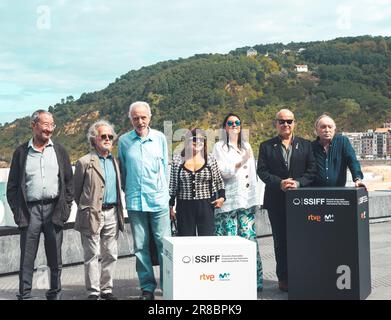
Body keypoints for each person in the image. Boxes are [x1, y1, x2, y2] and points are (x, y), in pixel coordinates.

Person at [6, 110, 73, 300]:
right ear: (34, 125)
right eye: (45, 124)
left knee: (55, 258)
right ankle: (25, 295)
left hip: (54, 209)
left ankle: (54, 294)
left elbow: (69, 183)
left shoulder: (60, 150)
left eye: (52, 125)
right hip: (30, 211)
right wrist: (18, 212)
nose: (49, 129)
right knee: (27, 258)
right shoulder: (21, 152)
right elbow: (12, 187)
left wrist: (65, 209)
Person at [257, 109, 316, 292]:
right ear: (276, 124)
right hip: (276, 200)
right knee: (280, 241)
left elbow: (312, 171)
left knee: (301, 240)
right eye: (282, 121)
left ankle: (301, 275)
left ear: (294, 123)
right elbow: (262, 171)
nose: (286, 125)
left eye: (289, 121)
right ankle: (283, 278)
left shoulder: (306, 145)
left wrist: (298, 183)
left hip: (300, 201)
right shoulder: (266, 146)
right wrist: (280, 183)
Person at [118, 101, 170, 301]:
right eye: (135, 118)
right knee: (140, 246)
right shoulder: (124, 141)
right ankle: (147, 287)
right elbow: (123, 170)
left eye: (143, 117)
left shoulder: (160, 138)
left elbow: (166, 167)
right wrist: (127, 190)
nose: (139, 121)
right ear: (131, 119)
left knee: (162, 244)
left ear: (149, 117)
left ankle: (168, 284)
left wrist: (166, 196)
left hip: (158, 201)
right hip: (135, 202)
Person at [74, 120, 125, 300]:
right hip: (92, 214)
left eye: (110, 136)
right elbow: (76, 192)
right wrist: (88, 207)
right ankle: (93, 292)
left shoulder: (116, 162)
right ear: (94, 139)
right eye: (103, 136)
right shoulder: (84, 162)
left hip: (112, 213)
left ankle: (107, 289)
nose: (107, 139)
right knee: (92, 255)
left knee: (111, 253)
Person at [212, 113, 263, 291]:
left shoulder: (246, 145)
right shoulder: (219, 147)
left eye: (237, 123)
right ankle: (228, 282)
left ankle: (254, 281)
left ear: (241, 126)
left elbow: (253, 175)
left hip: (247, 200)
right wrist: (240, 162)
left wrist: (255, 198)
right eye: (230, 123)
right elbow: (220, 172)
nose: (234, 125)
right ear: (225, 127)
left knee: (249, 239)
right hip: (229, 200)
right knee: (229, 240)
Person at [169, 128, 225, 236]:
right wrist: (171, 207)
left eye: (201, 139)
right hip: (184, 205)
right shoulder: (178, 160)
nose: (197, 142)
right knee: (186, 238)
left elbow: (219, 181)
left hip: (206, 204)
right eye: (194, 139)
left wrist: (222, 197)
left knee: (207, 238)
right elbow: (173, 185)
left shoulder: (210, 159)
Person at [312, 114, 365, 187]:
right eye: (323, 127)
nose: (327, 130)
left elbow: (352, 161)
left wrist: (357, 179)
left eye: (330, 127)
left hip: (338, 192)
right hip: (316, 192)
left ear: (334, 129)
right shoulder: (311, 147)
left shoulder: (342, 141)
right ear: (316, 130)